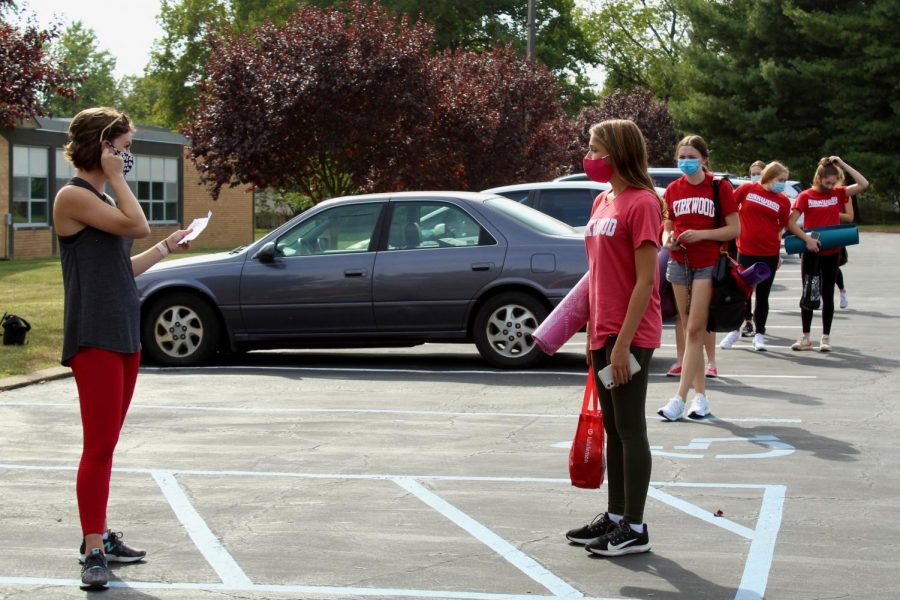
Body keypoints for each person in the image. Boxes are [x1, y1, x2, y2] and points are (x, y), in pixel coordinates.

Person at [53, 107, 193, 589]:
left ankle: (99, 535)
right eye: (125, 146)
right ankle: (94, 550)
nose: (129, 155)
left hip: (123, 334)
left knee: (108, 445)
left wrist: (168, 249)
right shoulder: (73, 196)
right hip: (94, 336)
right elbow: (138, 225)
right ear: (102, 145)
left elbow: (122, 267)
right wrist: (117, 179)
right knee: (97, 446)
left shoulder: (99, 198)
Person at [565, 119, 662, 556]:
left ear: (618, 152)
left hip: (631, 334)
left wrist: (623, 343)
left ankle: (636, 528)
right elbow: (596, 275)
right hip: (601, 332)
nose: (589, 156)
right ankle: (617, 515)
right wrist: (592, 336)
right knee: (613, 428)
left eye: (595, 148)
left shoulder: (642, 203)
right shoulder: (603, 200)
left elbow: (645, 282)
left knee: (629, 427)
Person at [657, 135, 739, 421]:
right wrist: (669, 239)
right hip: (679, 263)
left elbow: (734, 229)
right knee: (686, 324)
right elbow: (667, 226)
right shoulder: (672, 189)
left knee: (694, 329)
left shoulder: (719, 186)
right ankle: (700, 398)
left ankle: (679, 398)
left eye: (692, 156)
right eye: (681, 156)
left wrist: (702, 234)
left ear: (704, 159)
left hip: (708, 264)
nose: (686, 162)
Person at [789, 156, 867, 352]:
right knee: (808, 291)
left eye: (834, 183)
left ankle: (825, 337)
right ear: (818, 177)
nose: (830, 186)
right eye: (827, 182)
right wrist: (807, 240)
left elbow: (863, 183)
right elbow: (790, 222)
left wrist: (841, 164)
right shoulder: (805, 196)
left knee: (827, 294)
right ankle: (806, 337)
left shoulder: (837, 194)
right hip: (810, 250)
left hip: (832, 251)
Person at [720, 161, 793, 352]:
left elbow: (781, 228)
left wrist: (778, 255)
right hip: (745, 250)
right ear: (769, 177)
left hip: (769, 252)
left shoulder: (783, 200)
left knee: (763, 295)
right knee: (742, 292)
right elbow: (729, 209)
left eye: (785, 180)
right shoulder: (747, 189)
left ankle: (759, 334)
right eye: (780, 179)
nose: (782, 184)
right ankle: (734, 330)